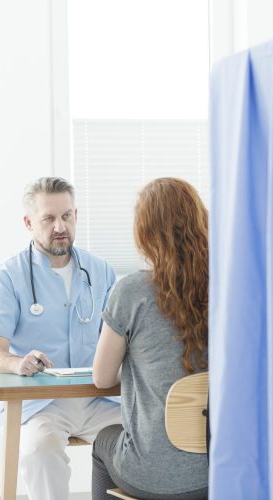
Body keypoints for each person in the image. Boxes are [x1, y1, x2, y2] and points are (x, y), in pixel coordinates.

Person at [0, 176, 121, 500]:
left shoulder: (101, 271)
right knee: (38, 451)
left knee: (144, 443)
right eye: (49, 218)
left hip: (100, 398)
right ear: (29, 222)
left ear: (76, 215)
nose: (60, 226)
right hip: (41, 405)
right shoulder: (8, 277)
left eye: (67, 216)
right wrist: (17, 363)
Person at [91, 177, 208, 500]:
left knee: (104, 441)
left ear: (144, 234)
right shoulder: (226, 289)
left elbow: (101, 379)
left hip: (151, 476)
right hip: (219, 474)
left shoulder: (132, 291)